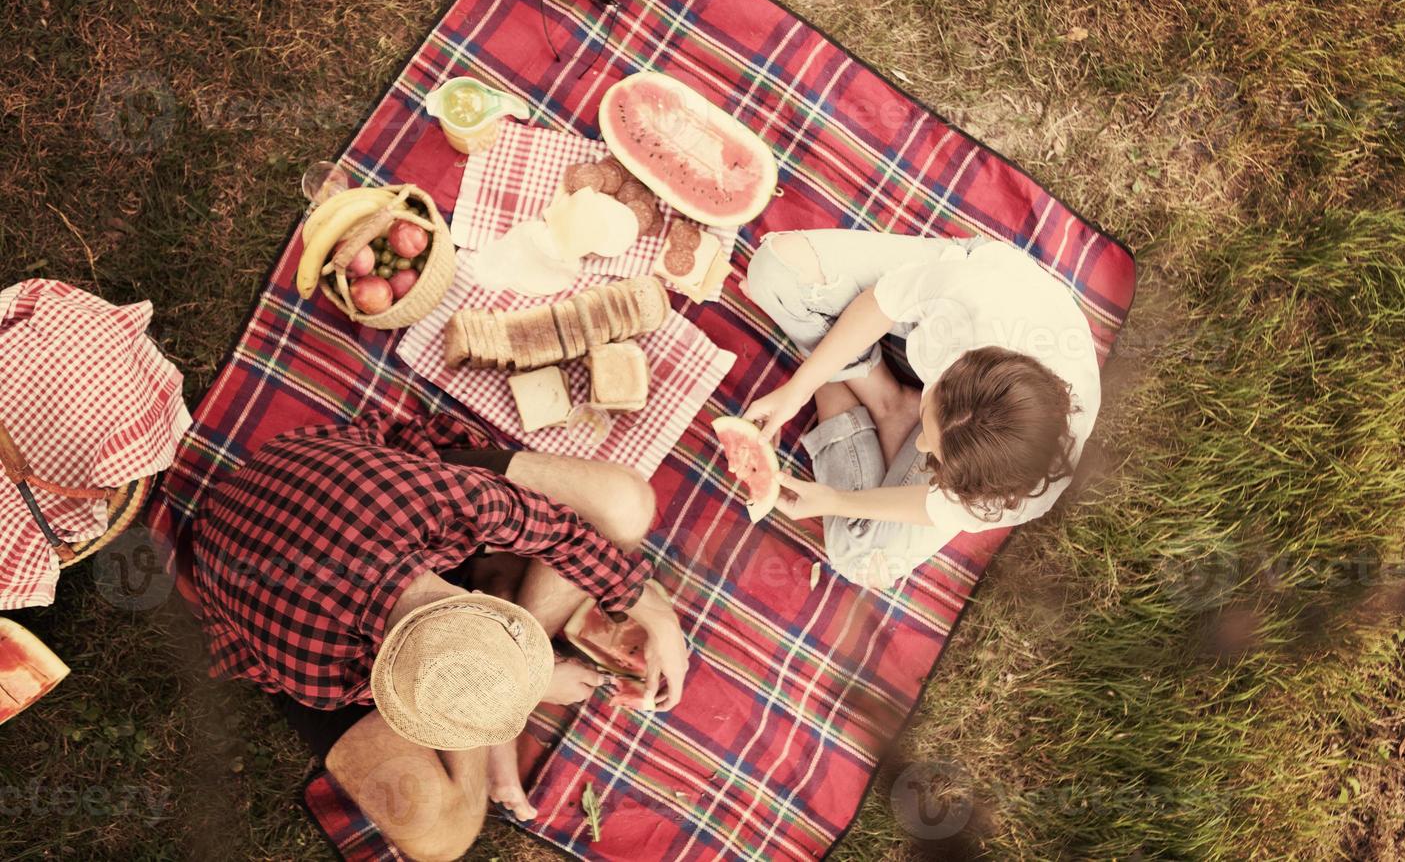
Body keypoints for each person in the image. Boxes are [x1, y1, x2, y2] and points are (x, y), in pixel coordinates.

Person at [189, 411, 687, 862]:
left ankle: (488, 695)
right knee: (441, 840)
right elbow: (409, 702)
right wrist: (524, 689)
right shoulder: (321, 674)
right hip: (260, 570)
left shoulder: (440, 503)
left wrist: (651, 609)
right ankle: (489, 726)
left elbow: (555, 529)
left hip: (315, 493)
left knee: (627, 502)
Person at [742, 229, 1100, 589]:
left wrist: (837, 500)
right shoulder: (972, 300)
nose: (920, 446)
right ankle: (882, 398)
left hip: (960, 371)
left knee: (859, 559)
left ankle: (853, 384)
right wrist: (797, 390)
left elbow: (934, 506)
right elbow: (881, 302)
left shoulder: (1018, 493)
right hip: (954, 292)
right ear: (955, 361)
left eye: (932, 448)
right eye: (929, 429)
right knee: (773, 273)